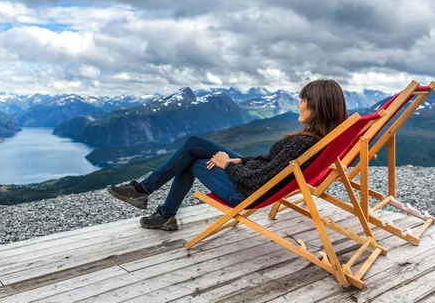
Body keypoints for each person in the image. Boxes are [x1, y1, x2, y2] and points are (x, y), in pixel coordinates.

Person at [107, 79, 348, 231]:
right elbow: (270, 164)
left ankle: (154, 204)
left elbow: (258, 181)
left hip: (246, 191)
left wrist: (226, 165)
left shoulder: (303, 143)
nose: (298, 105)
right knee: (194, 144)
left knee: (191, 159)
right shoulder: (321, 140)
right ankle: (151, 200)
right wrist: (240, 160)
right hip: (252, 176)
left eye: (302, 100)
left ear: (317, 105)